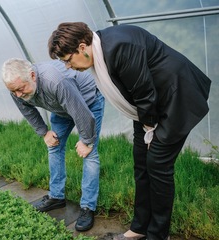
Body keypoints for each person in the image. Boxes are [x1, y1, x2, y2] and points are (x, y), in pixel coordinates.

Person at [48, 22, 211, 240]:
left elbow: (144, 91)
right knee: (141, 163)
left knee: (158, 165)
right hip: (148, 106)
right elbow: (140, 94)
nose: (68, 66)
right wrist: (146, 125)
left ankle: (158, 235)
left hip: (176, 97)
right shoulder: (99, 51)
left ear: (82, 47)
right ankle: (140, 227)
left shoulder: (119, 46)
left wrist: (150, 128)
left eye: (68, 60)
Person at [1, 58, 105, 231]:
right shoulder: (17, 88)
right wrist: (44, 132)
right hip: (61, 109)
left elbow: (80, 111)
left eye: (20, 89)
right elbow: (27, 110)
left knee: (90, 153)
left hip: (88, 103)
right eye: (13, 91)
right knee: (54, 146)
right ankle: (57, 197)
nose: (18, 95)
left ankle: (88, 207)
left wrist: (86, 141)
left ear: (33, 76)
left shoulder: (55, 81)